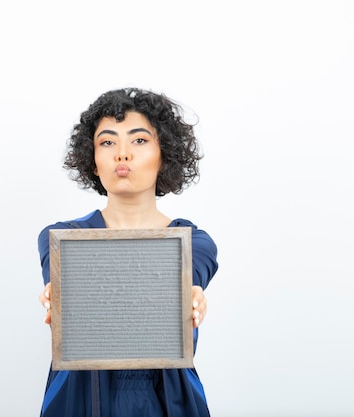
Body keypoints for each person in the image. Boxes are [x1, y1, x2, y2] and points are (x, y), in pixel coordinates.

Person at [36, 87, 219, 417]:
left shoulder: (196, 243)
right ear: (92, 161)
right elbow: (63, 288)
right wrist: (58, 296)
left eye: (139, 140)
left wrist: (190, 297)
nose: (122, 153)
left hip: (167, 399)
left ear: (165, 154)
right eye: (107, 142)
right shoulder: (62, 238)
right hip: (81, 398)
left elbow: (188, 281)